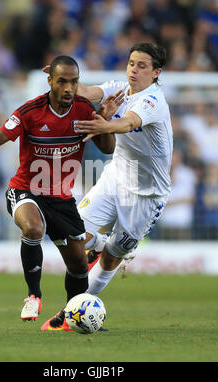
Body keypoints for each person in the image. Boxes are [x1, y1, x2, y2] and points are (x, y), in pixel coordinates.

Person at [0, 55, 121, 330]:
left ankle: (71, 317)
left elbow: (108, 148)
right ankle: (33, 295)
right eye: (62, 81)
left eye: (74, 82)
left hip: (61, 199)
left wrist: (103, 121)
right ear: (50, 81)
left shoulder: (85, 110)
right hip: (25, 190)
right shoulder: (31, 111)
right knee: (32, 229)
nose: (68, 88)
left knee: (78, 266)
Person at [42, 42, 173, 331]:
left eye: (142, 66)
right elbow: (89, 92)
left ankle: (73, 309)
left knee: (114, 257)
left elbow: (128, 123)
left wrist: (105, 126)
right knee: (71, 231)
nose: (134, 70)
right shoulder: (119, 88)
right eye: (131, 63)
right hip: (116, 177)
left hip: (146, 195)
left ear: (156, 73)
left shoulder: (153, 101)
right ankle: (74, 307)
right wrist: (65, 83)